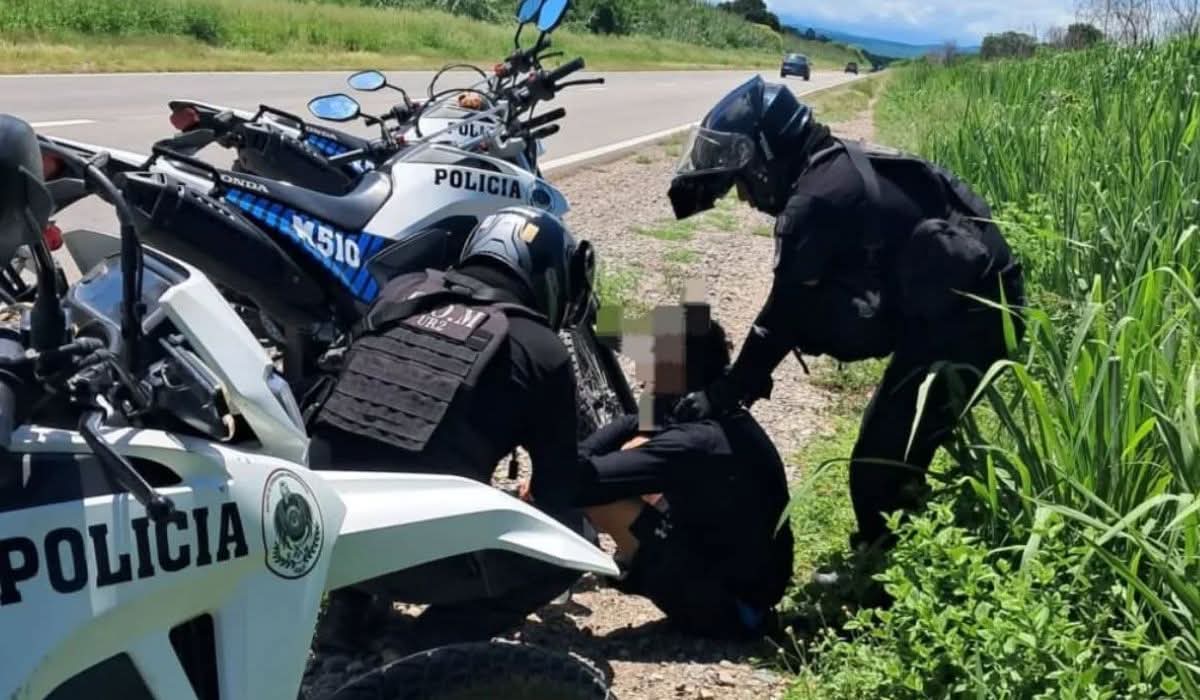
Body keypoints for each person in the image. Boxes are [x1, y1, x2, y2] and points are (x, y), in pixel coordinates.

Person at [666, 75, 1026, 589]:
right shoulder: (826, 168)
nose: (744, 196)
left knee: (879, 461)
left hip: (976, 318)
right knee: (893, 443)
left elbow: (779, 317)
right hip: (962, 301)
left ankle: (886, 586)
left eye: (744, 180)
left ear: (768, 155)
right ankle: (902, 556)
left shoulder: (815, 200)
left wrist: (725, 392)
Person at [305, 205, 597, 653]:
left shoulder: (400, 292)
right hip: (419, 558)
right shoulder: (539, 348)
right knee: (575, 537)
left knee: (370, 447)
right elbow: (559, 490)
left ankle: (346, 615)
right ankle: (429, 641)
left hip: (322, 539)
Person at [528, 303, 794, 639]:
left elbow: (575, 482)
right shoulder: (713, 412)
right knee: (630, 456)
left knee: (600, 496)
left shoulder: (694, 442)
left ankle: (536, 575)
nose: (641, 371)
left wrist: (551, 467)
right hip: (745, 585)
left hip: (730, 610)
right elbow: (635, 421)